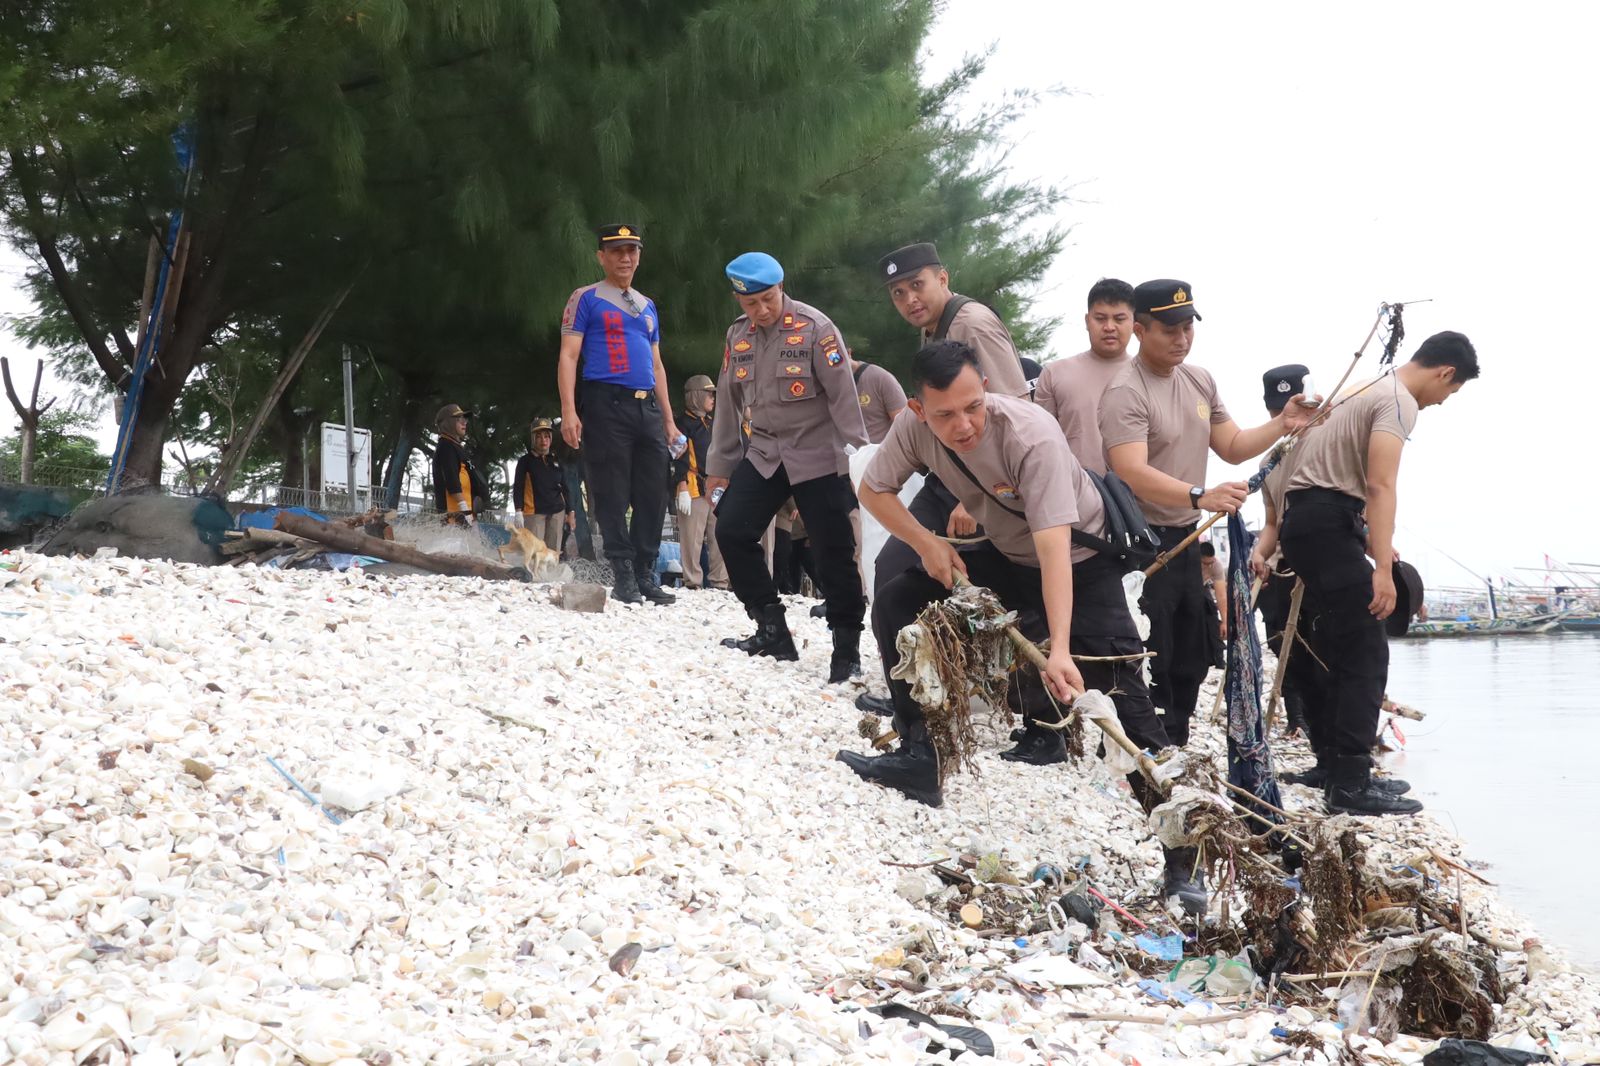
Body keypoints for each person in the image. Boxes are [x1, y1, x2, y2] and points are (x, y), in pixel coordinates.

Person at [834, 341, 1205, 911]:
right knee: (896, 600)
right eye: (945, 415)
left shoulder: (1032, 436)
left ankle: (1183, 858)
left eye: (973, 407)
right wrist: (926, 542)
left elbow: (1054, 550)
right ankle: (919, 756)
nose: (963, 425)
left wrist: (1060, 650)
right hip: (1005, 553)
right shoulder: (912, 429)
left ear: (987, 390)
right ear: (917, 409)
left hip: (1079, 562)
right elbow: (872, 489)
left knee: (1121, 699)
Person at [1100, 280, 1318, 748]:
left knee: (1192, 651)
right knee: (1149, 649)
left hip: (1185, 536)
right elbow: (1129, 470)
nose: (1182, 338)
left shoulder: (1199, 379)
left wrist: (1283, 424)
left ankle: (1175, 741)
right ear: (1140, 330)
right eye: (1170, 329)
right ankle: (1139, 748)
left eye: (1188, 327)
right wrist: (1201, 495)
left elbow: (1233, 445)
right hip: (1139, 542)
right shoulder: (1125, 391)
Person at [1278, 331, 1478, 816]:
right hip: (1327, 522)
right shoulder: (1399, 399)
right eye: (1450, 391)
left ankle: (1335, 767)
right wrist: (1383, 568)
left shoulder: (1365, 386)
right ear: (1446, 372)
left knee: (1337, 645)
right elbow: (1380, 484)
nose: (1442, 401)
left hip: (1308, 520)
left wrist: (1368, 539)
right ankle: (1349, 785)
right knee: (1366, 648)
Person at [703, 251, 868, 684]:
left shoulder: (816, 329)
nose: (761, 310)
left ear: (781, 287)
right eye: (750, 303)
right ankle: (771, 629)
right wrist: (720, 466)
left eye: (768, 299)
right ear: (739, 300)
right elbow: (727, 404)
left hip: (818, 453)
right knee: (731, 529)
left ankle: (846, 649)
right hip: (766, 452)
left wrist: (857, 466)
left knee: (832, 550)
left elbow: (844, 401)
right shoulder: (737, 335)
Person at [557, 223, 681, 606]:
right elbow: (568, 355)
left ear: (639, 255)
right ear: (602, 256)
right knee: (611, 489)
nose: (625, 258)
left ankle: (645, 572)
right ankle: (623, 573)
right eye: (616, 251)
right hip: (605, 403)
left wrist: (669, 419)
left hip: (647, 407)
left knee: (653, 491)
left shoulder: (647, 305)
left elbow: (657, 365)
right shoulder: (586, 298)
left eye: (632, 250)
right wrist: (568, 410)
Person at [1248, 364, 1314, 739]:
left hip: (1322, 563)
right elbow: (1272, 522)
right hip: (1283, 567)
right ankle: (1296, 719)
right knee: (1282, 643)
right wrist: (1259, 553)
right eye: (1278, 410)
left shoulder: (1333, 444)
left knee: (1325, 644)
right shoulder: (1269, 462)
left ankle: (1327, 721)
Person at [1034, 278, 1136, 474]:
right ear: (1087, 321)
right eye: (1100, 318)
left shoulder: (1148, 376)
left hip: (1136, 491)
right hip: (1073, 487)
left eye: (1119, 319)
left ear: (1135, 323)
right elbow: (1040, 442)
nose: (1109, 327)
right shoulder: (1055, 374)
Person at [672, 374, 728, 590]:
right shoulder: (681, 424)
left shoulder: (714, 423)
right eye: (708, 394)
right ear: (696, 395)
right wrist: (681, 485)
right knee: (691, 539)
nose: (713, 398)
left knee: (719, 536)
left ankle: (720, 582)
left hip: (717, 487)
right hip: (693, 486)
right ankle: (692, 582)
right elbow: (677, 456)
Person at [511, 418, 573, 553]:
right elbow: (518, 487)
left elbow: (565, 487)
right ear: (533, 438)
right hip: (534, 512)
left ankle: (552, 568)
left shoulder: (556, 460)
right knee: (534, 552)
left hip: (557, 511)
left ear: (550, 438)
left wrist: (571, 511)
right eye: (539, 436)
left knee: (552, 553)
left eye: (546, 436)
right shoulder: (525, 461)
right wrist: (518, 510)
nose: (543, 440)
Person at [431, 403, 491, 524]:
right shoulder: (446, 446)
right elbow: (451, 478)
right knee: (454, 537)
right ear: (448, 423)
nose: (464, 423)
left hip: (465, 512)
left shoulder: (455, 446)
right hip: (454, 512)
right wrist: (463, 506)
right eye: (459, 419)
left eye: (465, 419)